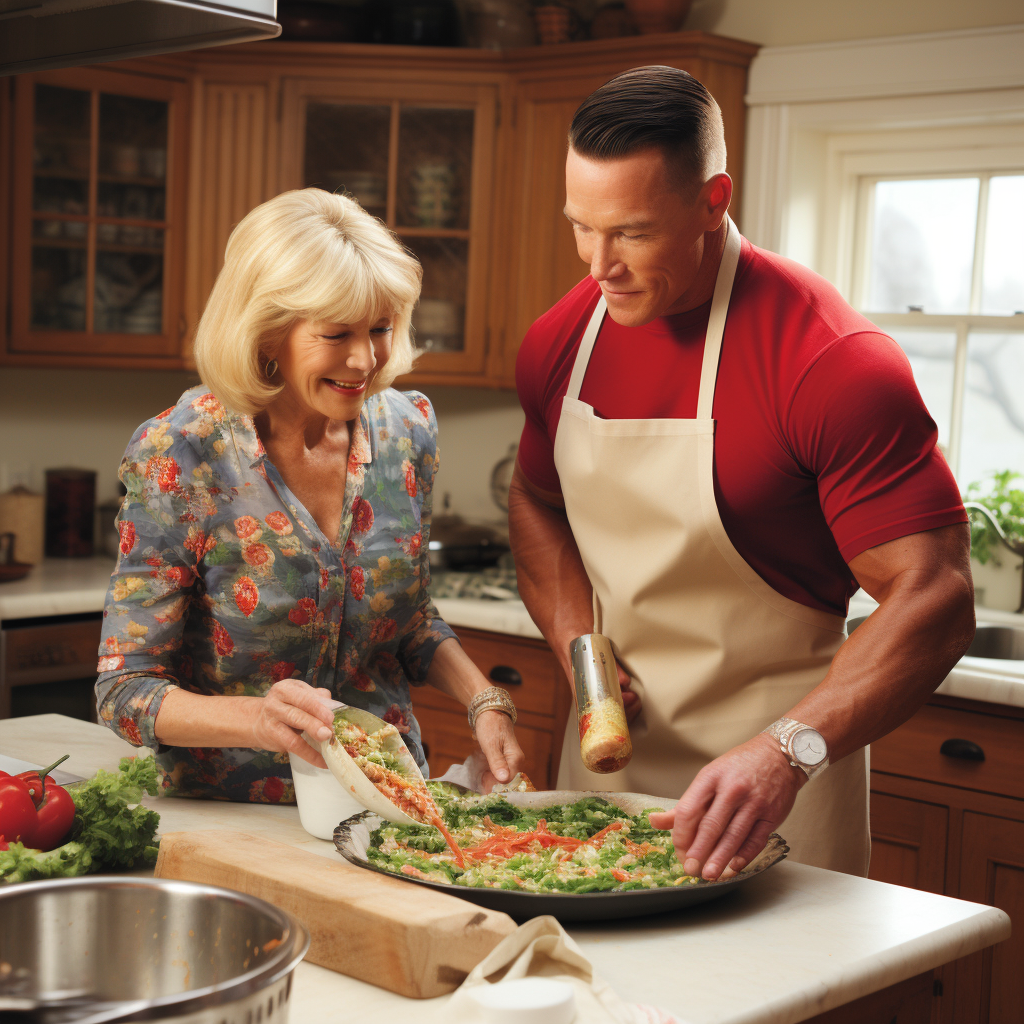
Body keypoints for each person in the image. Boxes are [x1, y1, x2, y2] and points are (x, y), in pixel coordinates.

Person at [509, 67, 975, 878]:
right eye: (581, 227)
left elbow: (935, 595)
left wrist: (787, 751)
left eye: (633, 233)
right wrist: (578, 645)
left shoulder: (831, 364)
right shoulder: (558, 343)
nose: (598, 266)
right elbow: (536, 500)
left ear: (713, 199)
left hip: (779, 791)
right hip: (601, 783)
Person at [96, 188, 525, 802]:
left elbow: (410, 622)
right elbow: (124, 689)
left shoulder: (408, 431)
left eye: (380, 328)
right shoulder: (183, 452)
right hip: (235, 818)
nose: (364, 359)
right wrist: (260, 720)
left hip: (387, 802)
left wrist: (485, 702)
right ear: (268, 332)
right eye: (336, 334)